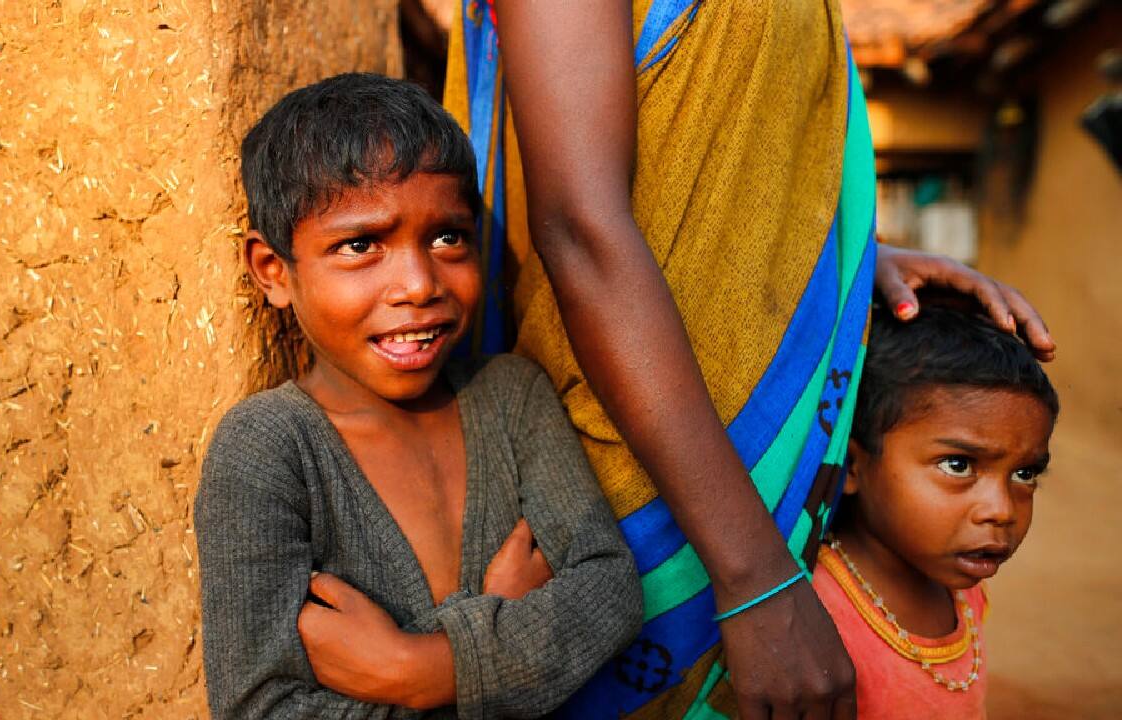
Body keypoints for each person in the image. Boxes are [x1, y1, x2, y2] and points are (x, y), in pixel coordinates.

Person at [441, 1, 1057, 717]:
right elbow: (580, 225)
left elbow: (720, 167)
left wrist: (849, 264)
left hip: (746, 496)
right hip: (655, 494)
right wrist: (757, 577)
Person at [195, 73, 643, 720]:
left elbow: (607, 590)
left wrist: (422, 670)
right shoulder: (269, 450)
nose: (418, 283)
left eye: (446, 238)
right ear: (274, 272)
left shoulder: (510, 398)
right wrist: (500, 641)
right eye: (360, 245)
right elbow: (262, 708)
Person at [814, 304, 1058, 718]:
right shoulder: (816, 621)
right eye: (958, 465)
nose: (1000, 511)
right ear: (853, 465)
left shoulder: (963, 589)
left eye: (1024, 473)